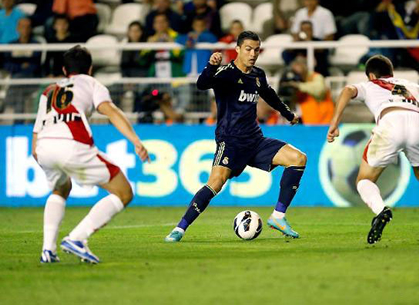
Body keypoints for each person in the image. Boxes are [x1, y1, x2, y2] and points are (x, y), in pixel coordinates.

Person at [165, 31, 307, 242]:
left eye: (256, 50)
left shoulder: (258, 75)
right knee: (215, 183)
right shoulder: (225, 74)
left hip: (255, 141)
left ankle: (278, 216)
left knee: (298, 159)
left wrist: (289, 115)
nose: (252, 54)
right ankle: (180, 228)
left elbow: (269, 95)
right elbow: (202, 84)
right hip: (230, 141)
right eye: (248, 49)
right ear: (237, 49)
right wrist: (211, 66)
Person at [327, 54, 419, 244]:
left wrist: (334, 123)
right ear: (391, 73)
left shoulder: (370, 85)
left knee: (364, 179)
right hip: (417, 122)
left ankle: (381, 211)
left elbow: (348, 90)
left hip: (390, 122)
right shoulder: (415, 87)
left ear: (372, 76)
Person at [32, 45, 149, 264]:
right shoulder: (92, 83)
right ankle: (77, 238)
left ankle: (48, 250)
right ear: (91, 68)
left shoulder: (49, 91)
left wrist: (40, 155)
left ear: (65, 70)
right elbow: (110, 111)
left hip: (44, 147)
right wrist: (135, 141)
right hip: (72, 144)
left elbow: (36, 132)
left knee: (60, 188)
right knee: (123, 192)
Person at [281, 56, 334, 125]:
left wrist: (299, 85)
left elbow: (319, 91)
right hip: (307, 121)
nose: (296, 73)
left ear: (304, 67)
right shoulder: (296, 81)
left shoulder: (316, 77)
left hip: (323, 120)